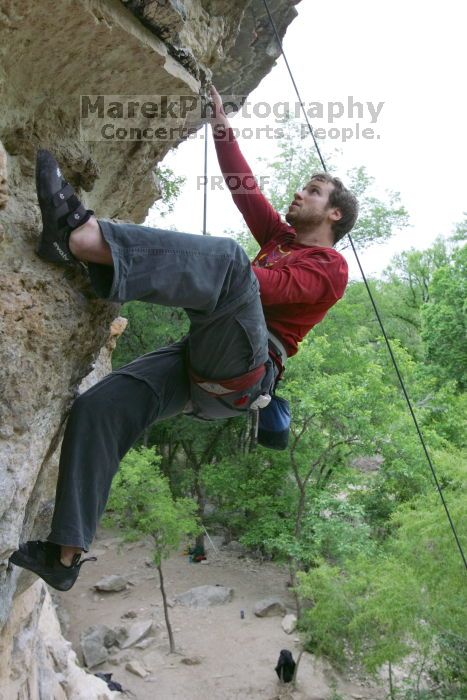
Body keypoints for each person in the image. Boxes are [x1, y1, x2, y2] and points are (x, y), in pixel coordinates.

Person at [9, 87, 358, 591]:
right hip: (206, 363)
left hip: (247, 370)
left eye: (312, 191)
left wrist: (208, 271)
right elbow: (245, 189)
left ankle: (81, 239)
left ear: (334, 215)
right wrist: (220, 125)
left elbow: (272, 288)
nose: (299, 193)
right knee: (99, 408)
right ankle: (65, 554)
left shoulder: (330, 268)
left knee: (231, 262)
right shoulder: (281, 241)